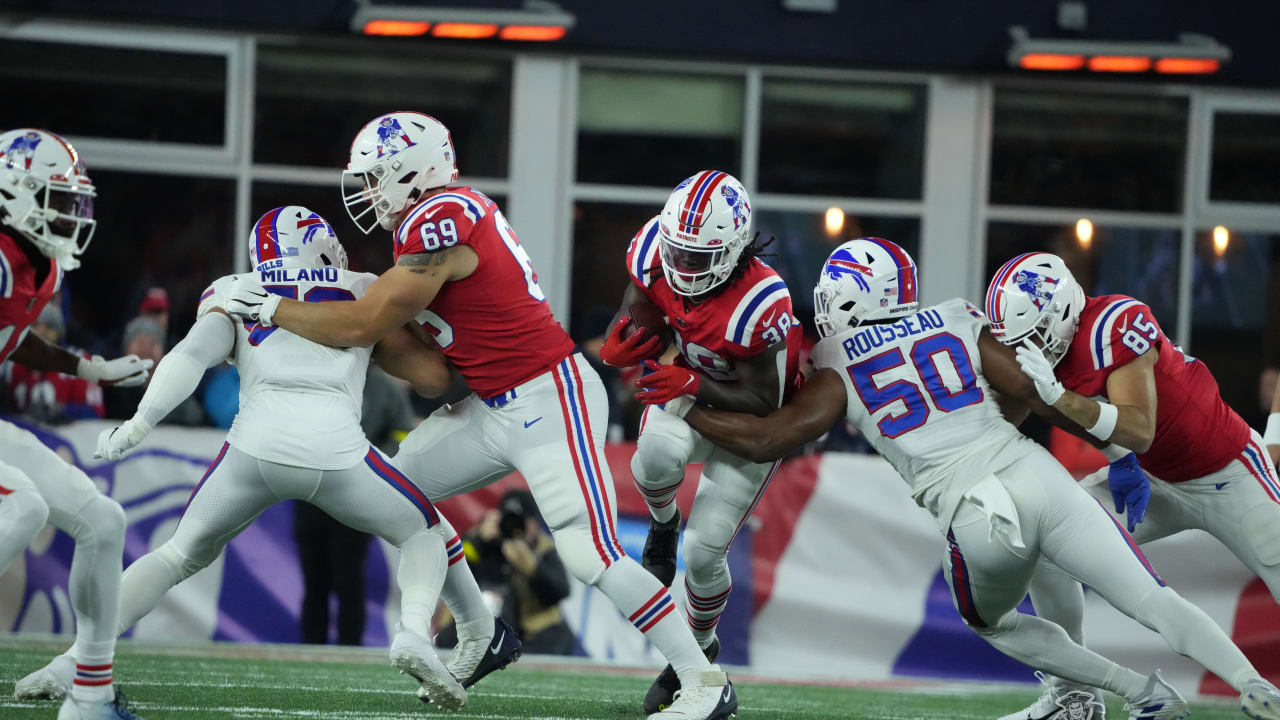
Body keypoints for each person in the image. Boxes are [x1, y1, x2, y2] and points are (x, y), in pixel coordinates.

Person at [222, 112, 735, 720]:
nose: (366, 192)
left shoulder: (440, 217)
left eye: (375, 178)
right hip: (495, 403)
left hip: (550, 395)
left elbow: (363, 325)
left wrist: (273, 307)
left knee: (588, 553)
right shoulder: (427, 224)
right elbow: (434, 374)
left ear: (413, 172)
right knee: (393, 495)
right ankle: (480, 630)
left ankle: (704, 681)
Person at [664, 237, 1280, 720]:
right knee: (1152, 598)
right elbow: (1036, 397)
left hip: (980, 512)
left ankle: (1135, 690)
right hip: (1036, 472)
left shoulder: (835, 366)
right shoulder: (957, 319)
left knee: (991, 620)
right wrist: (1116, 454)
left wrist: (691, 402)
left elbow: (769, 437)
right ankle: (1251, 684)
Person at [15, 206, 476, 710]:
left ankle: (74, 662)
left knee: (174, 556)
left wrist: (140, 424)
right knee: (425, 533)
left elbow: (190, 356)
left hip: (253, 449)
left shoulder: (232, 289)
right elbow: (430, 374)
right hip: (338, 449)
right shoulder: (362, 286)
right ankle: (412, 632)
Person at [982, 252, 1280, 720]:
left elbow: (1140, 427)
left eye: (1036, 335)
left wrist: (1060, 397)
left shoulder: (1115, 322)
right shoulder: (1044, 353)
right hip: (1152, 477)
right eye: (1019, 341)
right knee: (1045, 542)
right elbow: (1002, 421)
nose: (1031, 349)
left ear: (1062, 310)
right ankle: (1074, 696)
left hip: (1229, 471)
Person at [598, 170, 800, 712]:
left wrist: (689, 382)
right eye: (676, 253)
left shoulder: (762, 301)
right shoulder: (655, 249)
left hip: (748, 426)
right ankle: (664, 524)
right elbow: (641, 304)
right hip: (693, 397)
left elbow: (764, 402)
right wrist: (625, 338)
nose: (682, 268)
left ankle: (699, 647)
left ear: (734, 253)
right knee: (655, 456)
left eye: (697, 258)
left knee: (708, 551)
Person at [0, 128, 155, 720]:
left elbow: (11, 336)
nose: (70, 215)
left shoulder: (41, 265)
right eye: (57, 199)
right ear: (15, 193)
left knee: (102, 521)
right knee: (25, 508)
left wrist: (86, 366)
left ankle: (90, 697)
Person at [294, 366, 417, 646]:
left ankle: (349, 651)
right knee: (315, 581)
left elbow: (403, 436)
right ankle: (311, 651)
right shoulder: (316, 379)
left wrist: (368, 459)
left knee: (349, 579)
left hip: (357, 495)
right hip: (312, 493)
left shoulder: (383, 388)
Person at [457, 490, 576, 655]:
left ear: (535, 523)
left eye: (522, 521)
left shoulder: (543, 548)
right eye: (509, 519)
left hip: (535, 633)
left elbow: (561, 590)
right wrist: (479, 541)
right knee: (452, 636)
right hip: (487, 628)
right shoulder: (487, 543)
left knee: (556, 637)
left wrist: (531, 567)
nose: (515, 527)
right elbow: (455, 574)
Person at [2, 303, 105, 421]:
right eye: (35, 325)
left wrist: (60, 410)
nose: (41, 332)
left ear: (59, 332)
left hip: (67, 436)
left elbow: (95, 412)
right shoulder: (9, 364)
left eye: (49, 326)